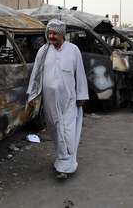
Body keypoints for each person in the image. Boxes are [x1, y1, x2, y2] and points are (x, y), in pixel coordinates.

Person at [27, 19, 89, 179]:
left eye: (55, 33)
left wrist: (81, 95)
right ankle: (63, 159)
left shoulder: (73, 50)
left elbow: (80, 74)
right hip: (50, 101)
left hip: (69, 99)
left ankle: (65, 166)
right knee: (55, 130)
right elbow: (36, 74)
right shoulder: (43, 51)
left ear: (63, 34)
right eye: (49, 33)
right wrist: (33, 94)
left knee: (68, 132)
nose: (51, 36)